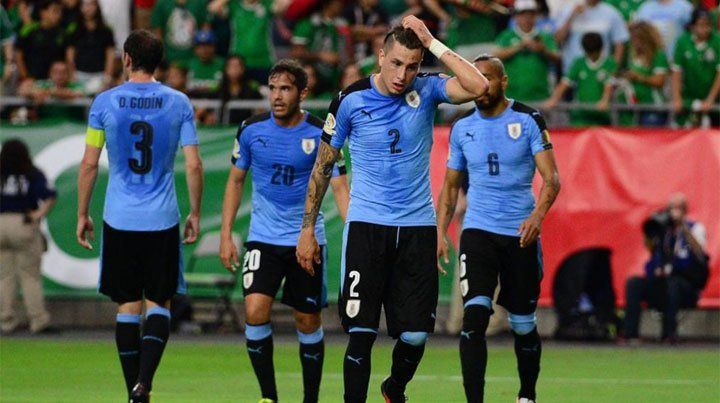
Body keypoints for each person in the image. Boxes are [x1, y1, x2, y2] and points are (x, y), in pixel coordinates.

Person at [297, 18, 489, 403]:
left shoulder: (427, 89)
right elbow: (323, 166)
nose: (403, 75)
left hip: (417, 228)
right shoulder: (350, 100)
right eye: (397, 63)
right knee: (361, 333)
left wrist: (431, 41)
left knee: (415, 336)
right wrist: (307, 229)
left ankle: (394, 388)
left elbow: (479, 86)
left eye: (412, 66)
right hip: (367, 226)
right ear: (381, 56)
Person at [75, 29, 204, 403]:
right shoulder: (179, 103)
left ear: (127, 59)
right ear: (159, 61)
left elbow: (89, 163)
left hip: (119, 218)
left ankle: (134, 391)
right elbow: (193, 164)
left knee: (127, 305)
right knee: (159, 302)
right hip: (161, 218)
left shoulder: (104, 103)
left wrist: (82, 213)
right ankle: (144, 383)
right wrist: (195, 212)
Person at [219, 58, 350, 403]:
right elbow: (235, 181)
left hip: (306, 241)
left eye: (286, 89)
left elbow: (339, 187)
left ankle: (310, 398)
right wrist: (225, 234)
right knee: (254, 312)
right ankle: (268, 397)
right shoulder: (251, 129)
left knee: (307, 321)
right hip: (263, 237)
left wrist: (355, 235)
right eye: (273, 88)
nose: (277, 96)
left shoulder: (322, 133)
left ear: (303, 93)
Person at [436, 55, 560, 403]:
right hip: (478, 232)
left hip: (520, 234)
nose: (480, 85)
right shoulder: (462, 127)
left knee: (522, 324)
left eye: (487, 78)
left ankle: (527, 395)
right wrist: (440, 231)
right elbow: (450, 186)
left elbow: (552, 179)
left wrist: (537, 216)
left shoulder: (528, 119)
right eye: (474, 78)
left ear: (503, 82)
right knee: (474, 317)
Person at [623, 193, 708, 344]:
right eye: (671, 208)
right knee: (633, 283)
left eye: (678, 208)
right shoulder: (664, 232)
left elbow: (699, 253)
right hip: (662, 283)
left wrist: (682, 227)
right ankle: (630, 334)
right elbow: (651, 249)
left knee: (673, 285)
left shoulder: (695, 228)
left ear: (684, 210)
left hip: (685, 286)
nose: (673, 212)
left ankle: (669, 334)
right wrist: (653, 229)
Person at [0, 139, 57, 335]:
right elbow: (50, 195)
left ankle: (6, 321)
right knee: (30, 276)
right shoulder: (31, 172)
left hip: (1, 223)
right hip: (22, 222)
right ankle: (38, 321)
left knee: (4, 277)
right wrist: (38, 214)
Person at [544, 32, 617, 126]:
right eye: (589, 53)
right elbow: (565, 82)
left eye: (594, 53)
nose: (592, 56)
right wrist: (554, 98)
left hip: (601, 119)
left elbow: (609, 84)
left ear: (601, 49)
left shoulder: (610, 63)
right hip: (580, 118)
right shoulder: (579, 63)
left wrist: (605, 100)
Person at [495, 0, 560, 103]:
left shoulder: (544, 36)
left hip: (540, 96)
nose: (526, 18)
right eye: (522, 14)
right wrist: (518, 47)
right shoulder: (507, 36)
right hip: (511, 96)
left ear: (535, 16)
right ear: (516, 16)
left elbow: (558, 58)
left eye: (530, 14)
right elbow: (496, 55)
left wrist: (542, 50)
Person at [208, 0, 287, 85]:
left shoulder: (266, 4)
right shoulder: (234, 6)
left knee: (266, 91)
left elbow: (284, 6)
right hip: (238, 64)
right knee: (239, 92)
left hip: (264, 61)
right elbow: (213, 8)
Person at [671, 8, 720, 127]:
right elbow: (676, 71)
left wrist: (710, 99)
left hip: (714, 100)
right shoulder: (683, 41)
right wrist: (677, 97)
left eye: (708, 25)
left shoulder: (717, 41)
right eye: (701, 25)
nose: (705, 29)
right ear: (693, 26)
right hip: (688, 98)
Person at [554, 0, 629, 74]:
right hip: (571, 72)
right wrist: (572, 15)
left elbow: (619, 43)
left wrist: (613, 69)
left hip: (600, 74)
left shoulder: (612, 13)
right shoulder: (567, 11)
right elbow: (558, 39)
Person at [617, 21, 669, 126]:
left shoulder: (658, 55)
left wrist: (639, 77)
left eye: (637, 39)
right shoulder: (633, 56)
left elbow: (659, 81)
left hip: (652, 106)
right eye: (633, 39)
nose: (635, 42)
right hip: (634, 106)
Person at [291, 0, 346, 93]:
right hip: (315, 79)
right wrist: (321, 56)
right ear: (327, 4)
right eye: (337, 2)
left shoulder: (342, 24)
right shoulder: (308, 24)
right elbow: (296, 52)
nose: (341, 5)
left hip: (337, 78)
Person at [66, 0, 115, 95]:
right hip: (79, 74)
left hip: (100, 75)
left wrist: (107, 77)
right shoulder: (73, 29)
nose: (88, 8)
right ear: (80, 7)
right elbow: (70, 55)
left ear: (97, 7)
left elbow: (110, 55)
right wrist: (72, 75)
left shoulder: (106, 30)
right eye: (85, 5)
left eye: (91, 5)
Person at [15, 0, 67, 80]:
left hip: (55, 81)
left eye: (60, 11)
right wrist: (25, 77)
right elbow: (18, 56)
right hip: (32, 80)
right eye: (55, 11)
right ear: (43, 13)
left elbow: (66, 59)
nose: (59, 15)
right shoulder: (28, 30)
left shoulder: (62, 33)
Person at [151, 0, 207, 64]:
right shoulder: (162, 3)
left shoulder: (200, 2)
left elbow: (205, 33)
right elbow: (157, 34)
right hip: (170, 59)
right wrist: (162, 60)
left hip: (195, 60)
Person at [218, 55, 262, 124]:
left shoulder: (251, 89)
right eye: (231, 66)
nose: (234, 69)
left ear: (242, 69)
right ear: (226, 69)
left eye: (237, 66)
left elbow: (260, 109)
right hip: (223, 127)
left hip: (245, 126)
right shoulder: (219, 89)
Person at [186, 28, 224, 97]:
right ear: (195, 49)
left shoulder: (223, 64)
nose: (204, 50)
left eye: (208, 46)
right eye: (200, 46)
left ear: (214, 47)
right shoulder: (188, 65)